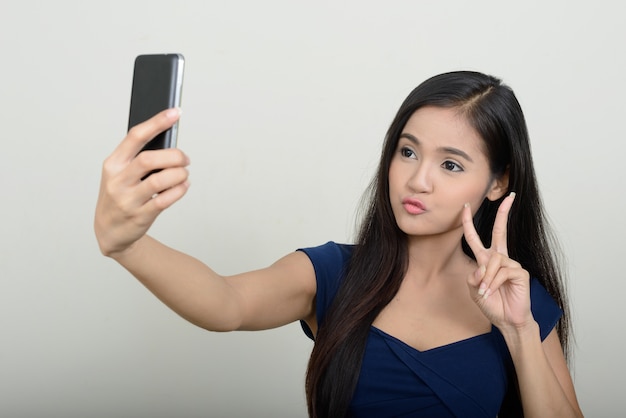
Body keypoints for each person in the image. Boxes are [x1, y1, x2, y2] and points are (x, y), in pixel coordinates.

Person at [94, 71, 583, 417]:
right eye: (407, 151)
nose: (417, 180)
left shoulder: (518, 300)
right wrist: (127, 245)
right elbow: (227, 303)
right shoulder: (333, 273)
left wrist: (520, 333)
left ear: (497, 183)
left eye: (450, 164)